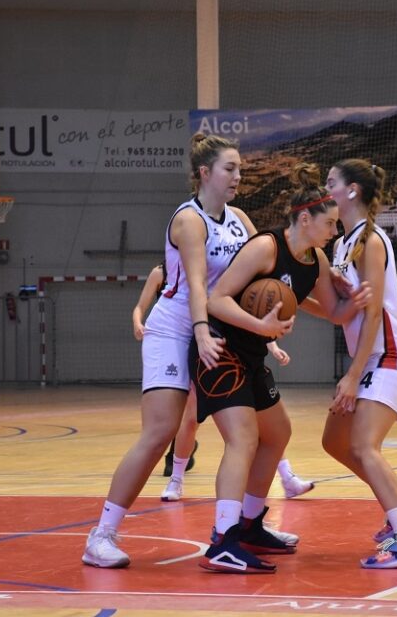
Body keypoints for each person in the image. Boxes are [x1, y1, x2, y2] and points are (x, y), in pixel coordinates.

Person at [82, 132, 257, 568]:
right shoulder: (188, 220)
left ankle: (245, 528)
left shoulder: (239, 219)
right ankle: (101, 535)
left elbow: (266, 268)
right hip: (175, 331)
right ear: (205, 173)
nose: (238, 175)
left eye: (239, 168)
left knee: (251, 431)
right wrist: (200, 330)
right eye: (230, 168)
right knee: (160, 431)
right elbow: (197, 283)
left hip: (214, 331)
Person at [193, 169, 366, 574]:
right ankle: (222, 541)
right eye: (329, 224)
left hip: (251, 355)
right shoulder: (266, 247)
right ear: (304, 219)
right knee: (243, 439)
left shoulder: (316, 260)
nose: (334, 231)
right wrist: (262, 327)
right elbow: (216, 300)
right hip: (219, 348)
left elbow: (335, 313)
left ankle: (250, 525)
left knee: (278, 433)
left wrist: (358, 298)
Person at [322, 159, 397, 569]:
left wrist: (352, 376)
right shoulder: (341, 244)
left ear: (351, 190)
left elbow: (372, 315)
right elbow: (345, 311)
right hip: (372, 356)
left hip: (392, 354)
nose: (325, 190)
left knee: (363, 446)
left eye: (330, 183)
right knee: (334, 441)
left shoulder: (370, 240)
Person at [131, 264, 314, 503]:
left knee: (259, 421)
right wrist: (138, 322)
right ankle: (176, 479)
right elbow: (140, 307)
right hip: (181, 343)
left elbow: (252, 311)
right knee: (190, 420)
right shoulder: (160, 273)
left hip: (214, 342)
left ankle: (287, 477)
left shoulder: (217, 270)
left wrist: (272, 345)